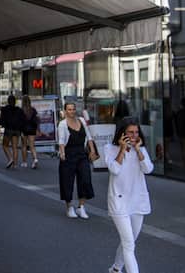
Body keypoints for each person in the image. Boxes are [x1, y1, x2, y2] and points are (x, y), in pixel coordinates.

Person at [105, 118, 153, 273]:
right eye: (130, 132)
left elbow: (148, 169)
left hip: (138, 201)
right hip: (118, 201)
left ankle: (116, 268)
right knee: (129, 244)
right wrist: (122, 149)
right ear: (122, 133)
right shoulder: (109, 148)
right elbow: (114, 169)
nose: (134, 135)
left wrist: (138, 150)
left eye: (136, 132)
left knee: (129, 241)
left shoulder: (141, 149)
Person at [57, 102, 98, 219]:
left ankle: (81, 207)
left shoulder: (81, 120)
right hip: (68, 155)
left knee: (85, 179)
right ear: (65, 111)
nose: (71, 111)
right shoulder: (62, 124)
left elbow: (89, 137)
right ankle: (69, 207)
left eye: (73, 109)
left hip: (82, 154)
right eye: (69, 109)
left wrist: (92, 150)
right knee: (67, 182)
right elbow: (61, 141)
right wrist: (62, 153)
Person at [0, 95, 23, 169]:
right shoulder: (19, 110)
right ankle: (15, 165)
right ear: (15, 101)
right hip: (17, 130)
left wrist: (2, 125)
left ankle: (10, 158)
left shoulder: (4, 109)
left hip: (8, 129)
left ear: (8, 101)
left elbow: (2, 119)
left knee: (5, 145)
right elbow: (22, 120)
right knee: (15, 147)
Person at [19, 95, 40, 169]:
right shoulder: (33, 110)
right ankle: (35, 159)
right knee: (32, 145)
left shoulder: (21, 110)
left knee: (24, 145)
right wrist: (37, 129)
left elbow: (20, 122)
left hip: (24, 129)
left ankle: (24, 162)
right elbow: (37, 120)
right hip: (32, 129)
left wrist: (20, 131)